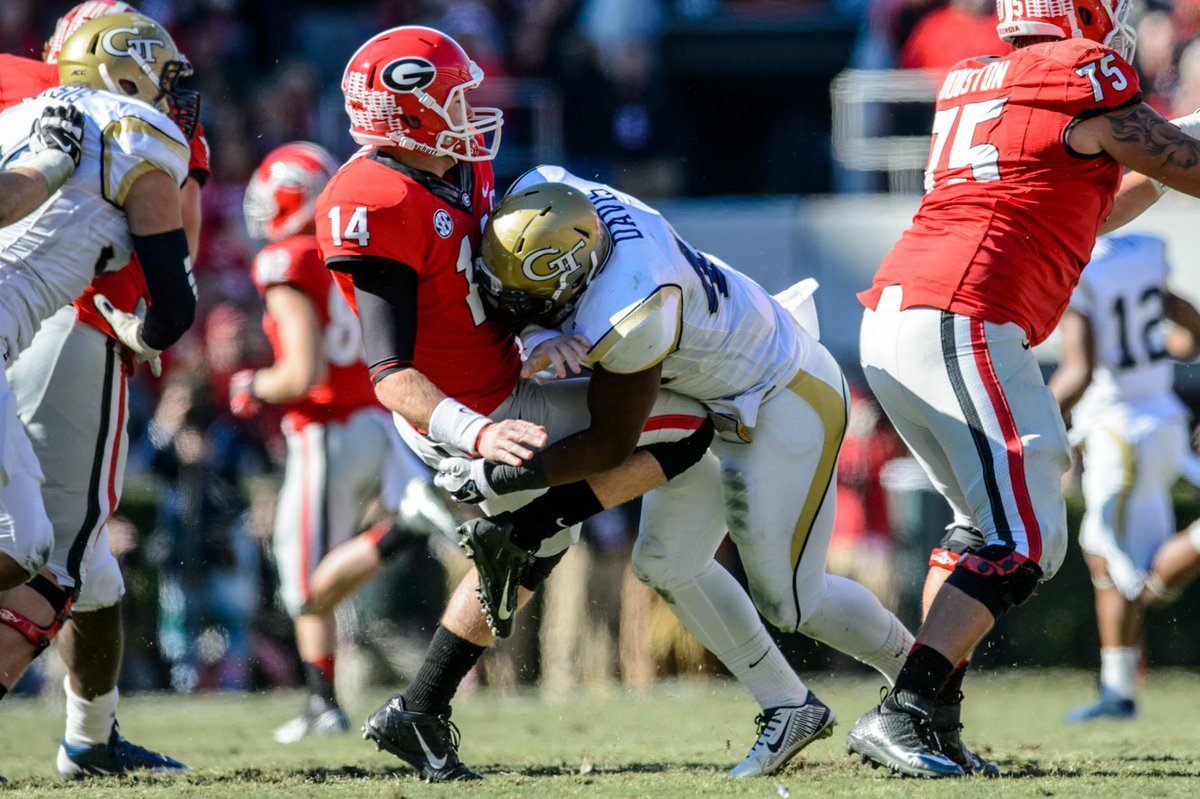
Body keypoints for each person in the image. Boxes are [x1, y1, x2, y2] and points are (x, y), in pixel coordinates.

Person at [315, 26, 715, 782]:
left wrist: (534, 332)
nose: (471, 108)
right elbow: (390, 373)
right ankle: (503, 500)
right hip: (459, 414)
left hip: (506, 381)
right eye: (453, 96)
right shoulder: (373, 199)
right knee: (691, 424)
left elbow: (492, 292)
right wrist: (480, 437)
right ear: (405, 113)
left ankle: (420, 710)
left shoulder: (462, 168)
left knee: (540, 542)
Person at [439, 170, 916, 778]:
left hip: (781, 397)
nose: (510, 312)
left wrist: (499, 478)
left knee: (794, 598)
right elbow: (537, 232)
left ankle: (925, 682)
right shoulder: (548, 194)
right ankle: (788, 706)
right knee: (666, 563)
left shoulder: (634, 306)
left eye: (528, 301)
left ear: (576, 278)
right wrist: (537, 326)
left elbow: (610, 445)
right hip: (703, 399)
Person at [847, 0, 1200, 778]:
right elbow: (1180, 162)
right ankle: (905, 708)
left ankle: (930, 718)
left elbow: (1090, 203)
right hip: (963, 313)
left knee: (981, 527)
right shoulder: (1084, 69)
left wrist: (1182, 138)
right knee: (1029, 533)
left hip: (902, 315)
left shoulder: (977, 75)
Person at [0, 6, 200, 777]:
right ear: (123, 67)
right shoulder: (136, 135)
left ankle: (91, 737)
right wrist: (140, 328)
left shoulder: (26, 115)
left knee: (78, 565)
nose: (174, 94)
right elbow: (174, 305)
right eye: (163, 73)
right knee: (27, 547)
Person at [236, 141, 453, 743]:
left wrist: (252, 382)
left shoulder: (289, 259)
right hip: (381, 423)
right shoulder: (346, 243)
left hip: (329, 428)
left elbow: (301, 373)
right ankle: (321, 703)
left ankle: (403, 528)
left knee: (304, 587)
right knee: (310, 582)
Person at [1048, 233, 1200, 721]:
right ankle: (1118, 691)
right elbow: (1191, 330)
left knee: (1108, 552)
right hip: (1158, 418)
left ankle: (1118, 691)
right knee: (1116, 564)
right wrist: (1149, 356)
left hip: (1120, 428)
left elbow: (1081, 371)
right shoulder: (1143, 250)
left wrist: (1028, 424)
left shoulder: (1078, 264)